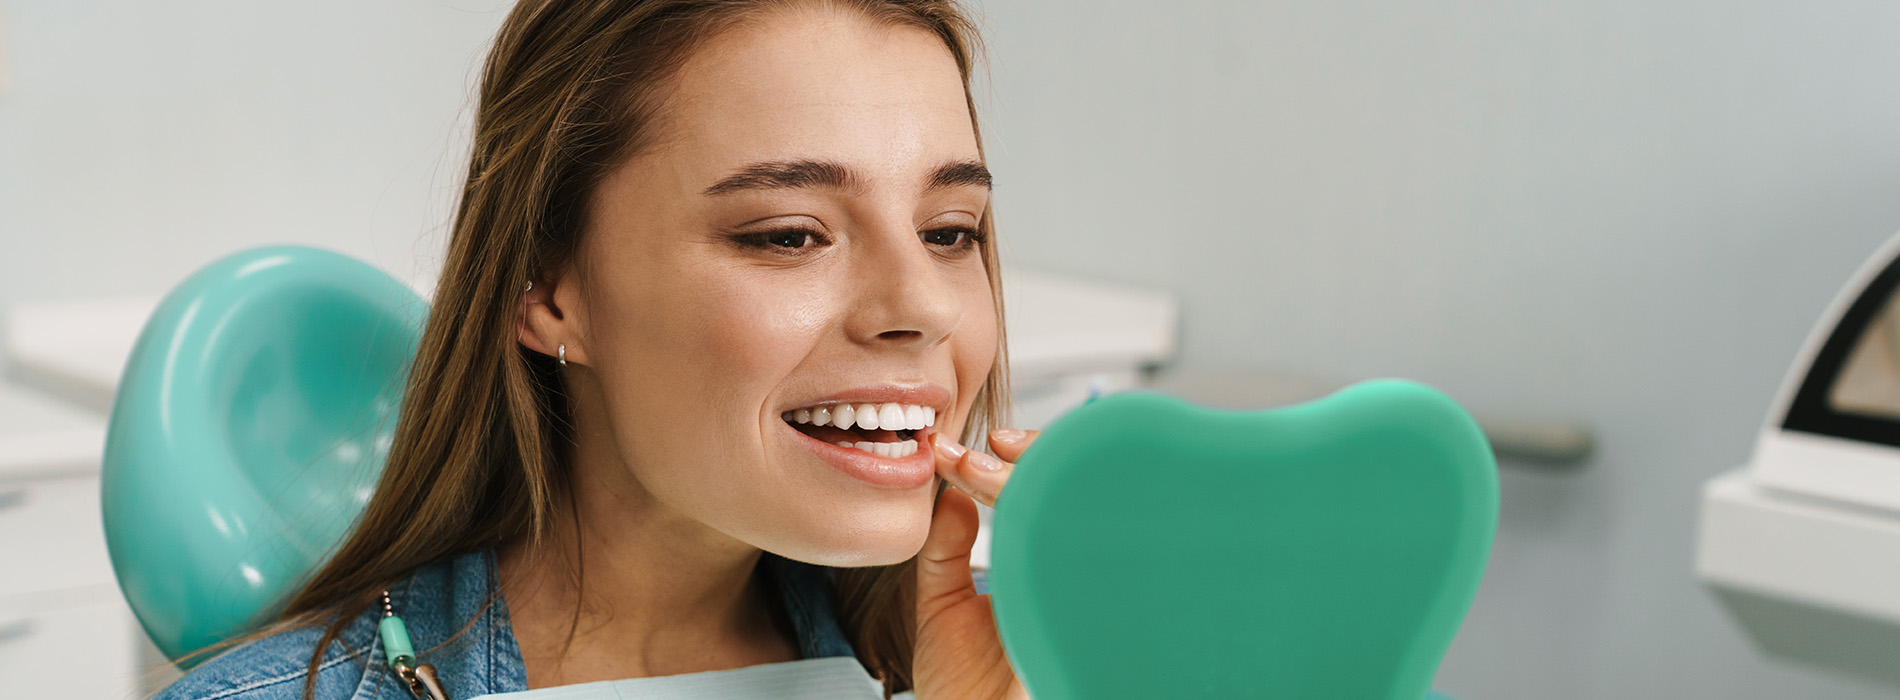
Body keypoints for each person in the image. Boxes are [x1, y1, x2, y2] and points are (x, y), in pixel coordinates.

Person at [154, 1, 1035, 698]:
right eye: (790, 236)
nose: (922, 306)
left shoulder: (1030, 662)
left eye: (950, 232)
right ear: (544, 289)